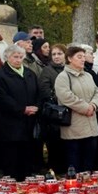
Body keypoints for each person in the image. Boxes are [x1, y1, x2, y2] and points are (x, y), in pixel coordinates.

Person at [0, 45, 39, 181]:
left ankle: (27, 180)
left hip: (29, 122)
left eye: (20, 57)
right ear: (7, 57)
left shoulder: (30, 73)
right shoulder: (0, 75)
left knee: (27, 154)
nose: (18, 60)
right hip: (10, 123)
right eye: (15, 57)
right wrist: (21, 109)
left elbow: (37, 93)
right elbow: (2, 97)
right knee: (12, 156)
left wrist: (36, 107)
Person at [54, 46, 98, 172]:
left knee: (89, 162)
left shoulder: (88, 75)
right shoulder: (63, 77)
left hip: (91, 124)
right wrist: (86, 108)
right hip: (74, 126)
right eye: (79, 57)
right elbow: (66, 97)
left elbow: (97, 92)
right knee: (75, 162)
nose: (82, 59)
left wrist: (94, 105)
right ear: (69, 58)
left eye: (83, 57)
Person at [38, 44, 67, 174]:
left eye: (59, 54)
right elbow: (45, 91)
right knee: (55, 144)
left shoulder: (69, 69)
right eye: (54, 54)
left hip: (70, 111)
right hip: (54, 113)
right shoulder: (47, 71)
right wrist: (61, 96)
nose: (56, 57)